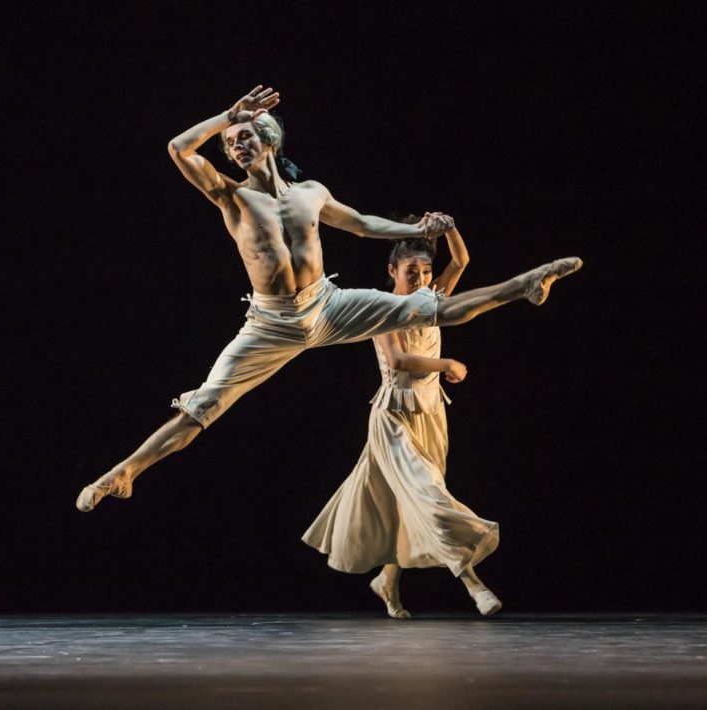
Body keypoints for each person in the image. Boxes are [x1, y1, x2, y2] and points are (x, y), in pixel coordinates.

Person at [76, 85, 582, 512]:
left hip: (327, 304)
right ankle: (123, 473)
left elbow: (361, 225)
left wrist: (415, 228)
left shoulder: (311, 193)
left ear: (268, 140)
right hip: (271, 323)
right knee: (205, 405)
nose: (235, 148)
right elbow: (178, 149)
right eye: (230, 144)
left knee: (436, 306)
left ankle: (527, 284)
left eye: (244, 137)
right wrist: (227, 116)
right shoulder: (230, 195)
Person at [303, 226, 503, 619]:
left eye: (427, 273)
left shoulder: (431, 300)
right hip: (393, 418)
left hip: (431, 414)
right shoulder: (379, 308)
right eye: (413, 272)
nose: (422, 280)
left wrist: (448, 228)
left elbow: (461, 261)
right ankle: (472, 583)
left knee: (409, 501)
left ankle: (387, 581)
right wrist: (444, 363)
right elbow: (396, 361)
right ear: (392, 270)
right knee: (430, 498)